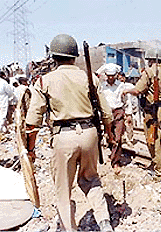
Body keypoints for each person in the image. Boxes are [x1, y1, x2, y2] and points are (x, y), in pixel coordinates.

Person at [25, 34, 114, 231]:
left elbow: (32, 123)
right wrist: (109, 134)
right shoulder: (90, 77)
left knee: (63, 190)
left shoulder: (43, 81)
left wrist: (30, 149)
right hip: (90, 134)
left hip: (63, 136)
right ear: (74, 56)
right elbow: (107, 113)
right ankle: (104, 221)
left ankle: (69, 228)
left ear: (53, 57)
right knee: (91, 180)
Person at [122, 48, 161, 182]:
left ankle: (159, 172)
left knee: (154, 141)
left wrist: (127, 91)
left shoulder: (149, 72)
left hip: (153, 112)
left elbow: (138, 90)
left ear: (150, 60)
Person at [101, 65, 128, 171]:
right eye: (109, 76)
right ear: (106, 75)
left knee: (118, 137)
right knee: (109, 135)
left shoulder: (121, 86)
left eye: (113, 76)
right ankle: (112, 154)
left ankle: (115, 161)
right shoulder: (102, 86)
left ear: (116, 75)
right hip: (106, 113)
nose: (111, 78)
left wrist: (128, 114)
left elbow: (126, 100)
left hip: (118, 112)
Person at [118, 71, 137, 147]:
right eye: (119, 78)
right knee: (119, 125)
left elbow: (134, 98)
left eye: (121, 78)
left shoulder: (130, 86)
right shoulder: (116, 87)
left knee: (129, 125)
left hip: (128, 109)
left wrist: (134, 108)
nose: (120, 80)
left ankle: (129, 140)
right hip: (119, 109)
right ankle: (120, 139)